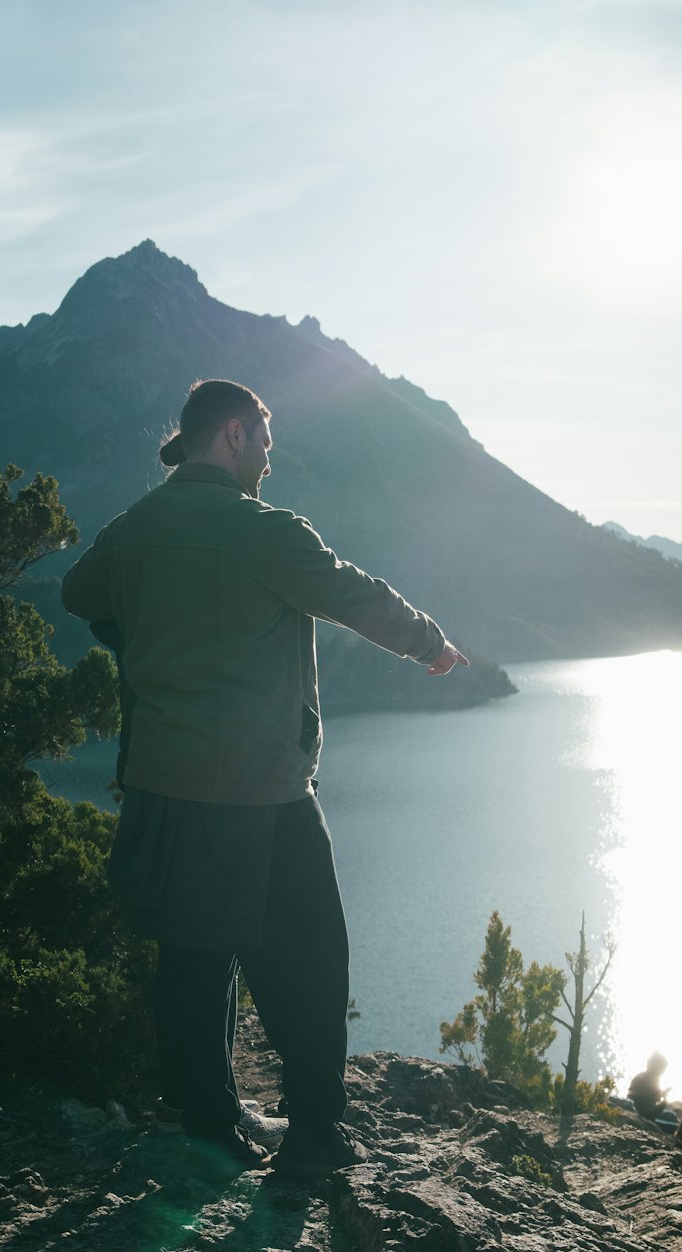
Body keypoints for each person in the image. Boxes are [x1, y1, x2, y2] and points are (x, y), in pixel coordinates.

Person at [62, 378, 467, 1180]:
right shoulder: (265, 532)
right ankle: (314, 1130)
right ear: (235, 435)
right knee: (309, 957)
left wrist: (140, 635)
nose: (271, 458)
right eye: (266, 440)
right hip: (258, 789)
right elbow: (357, 598)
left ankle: (207, 1124)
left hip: (162, 783)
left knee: (192, 956)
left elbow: (82, 595)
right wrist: (432, 646)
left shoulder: (134, 529)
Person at [628, 1052, 672, 1123]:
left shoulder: (640, 1076)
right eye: (663, 1069)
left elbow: (632, 1095)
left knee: (670, 1115)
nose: (663, 1072)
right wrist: (664, 1098)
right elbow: (655, 1100)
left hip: (639, 1109)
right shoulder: (652, 1079)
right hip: (647, 1115)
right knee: (671, 1120)